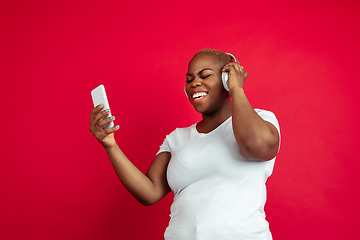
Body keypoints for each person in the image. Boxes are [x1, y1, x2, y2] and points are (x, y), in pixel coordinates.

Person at [89, 49, 280, 240]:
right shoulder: (177, 138)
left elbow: (256, 145)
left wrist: (237, 89)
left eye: (205, 75)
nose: (195, 83)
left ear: (226, 79)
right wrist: (110, 146)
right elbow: (149, 192)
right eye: (189, 79)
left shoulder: (262, 120)